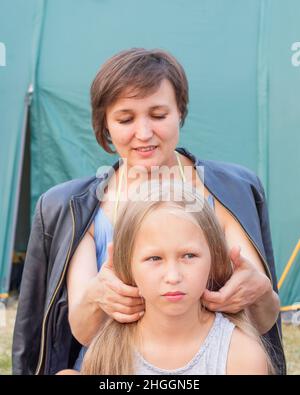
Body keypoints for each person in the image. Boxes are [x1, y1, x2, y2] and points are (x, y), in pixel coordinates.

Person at [12, 48, 285, 375]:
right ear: (105, 124)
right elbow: (83, 332)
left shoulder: (228, 192)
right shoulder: (80, 208)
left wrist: (258, 293)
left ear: (179, 111)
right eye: (126, 119)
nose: (144, 133)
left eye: (158, 115)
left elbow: (264, 318)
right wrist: (98, 296)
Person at [58, 181, 273, 375]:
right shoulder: (107, 354)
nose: (173, 276)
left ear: (214, 258)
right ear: (126, 264)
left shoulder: (241, 355)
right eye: (154, 258)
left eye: (189, 256)